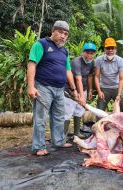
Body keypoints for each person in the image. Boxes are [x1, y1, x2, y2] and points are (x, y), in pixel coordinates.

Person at [27, 20, 77, 156]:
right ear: (53, 31)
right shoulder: (41, 44)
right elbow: (32, 64)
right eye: (60, 32)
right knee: (41, 118)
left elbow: (68, 71)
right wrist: (31, 87)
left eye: (65, 34)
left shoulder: (64, 51)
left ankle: (59, 141)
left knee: (59, 116)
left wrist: (73, 89)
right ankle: (38, 147)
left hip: (60, 89)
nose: (63, 36)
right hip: (43, 87)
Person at [64, 42, 96, 139]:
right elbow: (78, 79)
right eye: (87, 53)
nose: (89, 55)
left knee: (79, 111)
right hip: (71, 91)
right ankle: (63, 136)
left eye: (92, 53)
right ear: (83, 52)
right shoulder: (76, 62)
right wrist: (81, 97)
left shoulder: (92, 63)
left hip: (84, 89)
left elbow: (90, 76)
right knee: (68, 112)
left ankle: (76, 133)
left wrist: (90, 90)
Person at [94, 37, 123, 112]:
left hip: (117, 87)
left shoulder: (121, 61)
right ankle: (99, 123)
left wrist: (119, 94)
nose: (110, 50)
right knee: (99, 110)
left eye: (112, 48)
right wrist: (99, 91)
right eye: (108, 48)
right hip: (104, 87)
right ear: (104, 49)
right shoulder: (99, 60)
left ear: (115, 49)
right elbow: (96, 76)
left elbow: (121, 79)